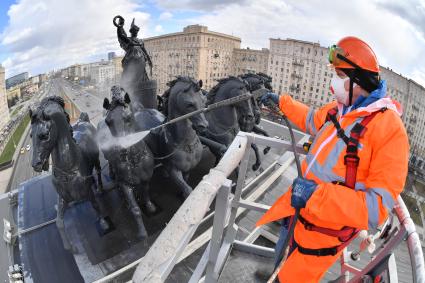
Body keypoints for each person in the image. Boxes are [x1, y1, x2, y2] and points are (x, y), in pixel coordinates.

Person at [257, 36, 409, 282]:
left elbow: (375, 210)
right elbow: (311, 120)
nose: (333, 82)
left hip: (320, 237)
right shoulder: (339, 109)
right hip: (295, 215)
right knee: (278, 260)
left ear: (357, 80)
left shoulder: (390, 132)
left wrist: (314, 195)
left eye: (339, 75)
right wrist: (282, 103)